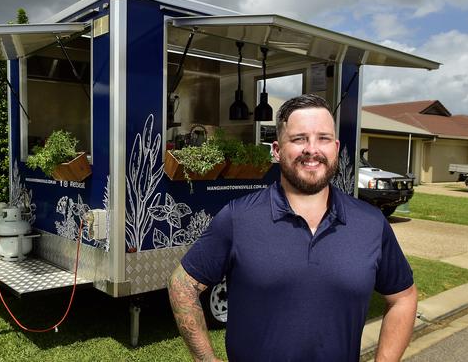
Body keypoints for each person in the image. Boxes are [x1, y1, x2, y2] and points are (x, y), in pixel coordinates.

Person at [168, 94, 417, 361]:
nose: (312, 149)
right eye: (299, 139)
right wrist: (206, 359)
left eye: (323, 138)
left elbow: (403, 297)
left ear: (336, 147)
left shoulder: (370, 223)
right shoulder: (238, 218)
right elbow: (182, 285)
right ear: (276, 150)